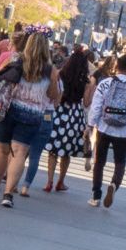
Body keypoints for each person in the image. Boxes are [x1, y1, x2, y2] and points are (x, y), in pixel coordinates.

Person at [0, 30, 60, 207]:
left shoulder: (14, 59)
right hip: (33, 114)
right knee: (20, 153)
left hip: (9, 109)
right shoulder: (50, 70)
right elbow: (53, 96)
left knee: (2, 150)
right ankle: (8, 194)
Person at [87, 56, 126, 208]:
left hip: (103, 128)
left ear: (116, 66)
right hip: (123, 131)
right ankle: (114, 185)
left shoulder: (105, 83)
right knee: (120, 163)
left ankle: (96, 195)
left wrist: (90, 124)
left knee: (99, 162)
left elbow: (96, 106)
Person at [41, 45, 93, 193]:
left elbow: (54, 93)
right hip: (75, 115)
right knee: (67, 151)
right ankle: (60, 182)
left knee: (53, 150)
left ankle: (49, 182)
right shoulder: (85, 80)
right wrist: (89, 89)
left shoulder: (60, 74)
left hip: (59, 112)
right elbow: (86, 103)